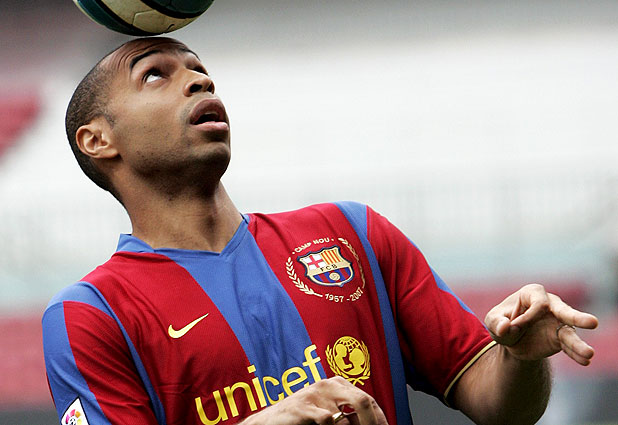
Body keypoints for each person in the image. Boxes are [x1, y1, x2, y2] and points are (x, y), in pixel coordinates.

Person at [42, 37, 598, 425]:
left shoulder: (352, 234)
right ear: (97, 140)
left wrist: (521, 359)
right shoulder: (90, 315)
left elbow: (502, 409)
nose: (199, 79)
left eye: (198, 68)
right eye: (155, 74)